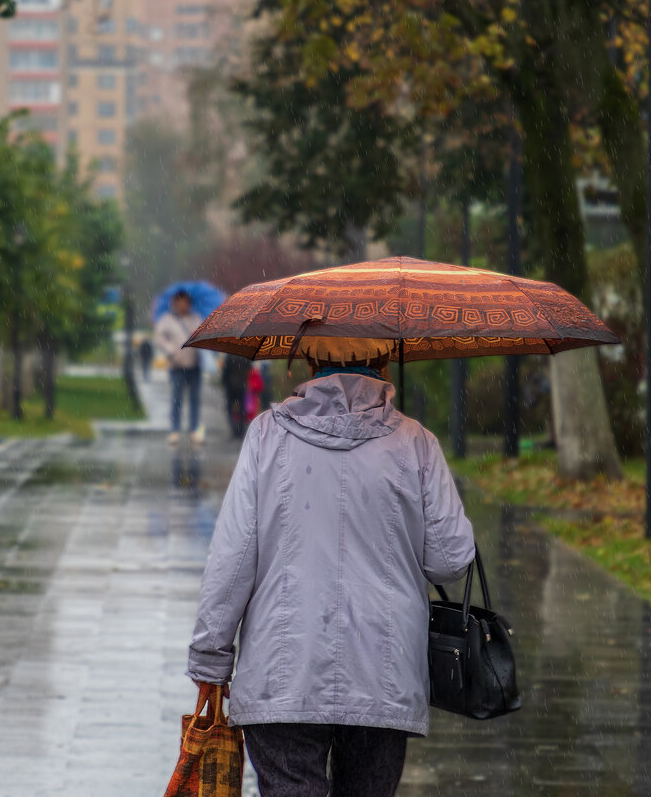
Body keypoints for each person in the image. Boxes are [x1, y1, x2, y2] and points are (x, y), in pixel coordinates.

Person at [186, 337, 476, 797]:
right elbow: (448, 560)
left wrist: (210, 656)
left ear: (308, 357)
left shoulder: (267, 434)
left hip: (283, 671)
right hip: (383, 673)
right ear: (384, 358)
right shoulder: (417, 442)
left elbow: (233, 557)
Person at [154, 290, 205, 446]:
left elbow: (204, 335)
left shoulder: (195, 318)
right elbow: (159, 338)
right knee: (177, 399)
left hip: (195, 364)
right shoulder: (167, 320)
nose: (183, 305)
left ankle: (194, 429)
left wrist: (196, 335)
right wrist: (171, 350)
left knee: (195, 399)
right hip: (177, 366)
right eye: (180, 302)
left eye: (186, 302)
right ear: (175, 303)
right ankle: (175, 430)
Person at [221, 354, 252, 439]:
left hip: (231, 386)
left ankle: (234, 428)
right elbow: (249, 369)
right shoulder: (246, 356)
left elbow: (225, 371)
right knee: (242, 408)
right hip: (242, 385)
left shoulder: (230, 356)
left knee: (230, 408)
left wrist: (224, 382)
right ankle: (241, 429)